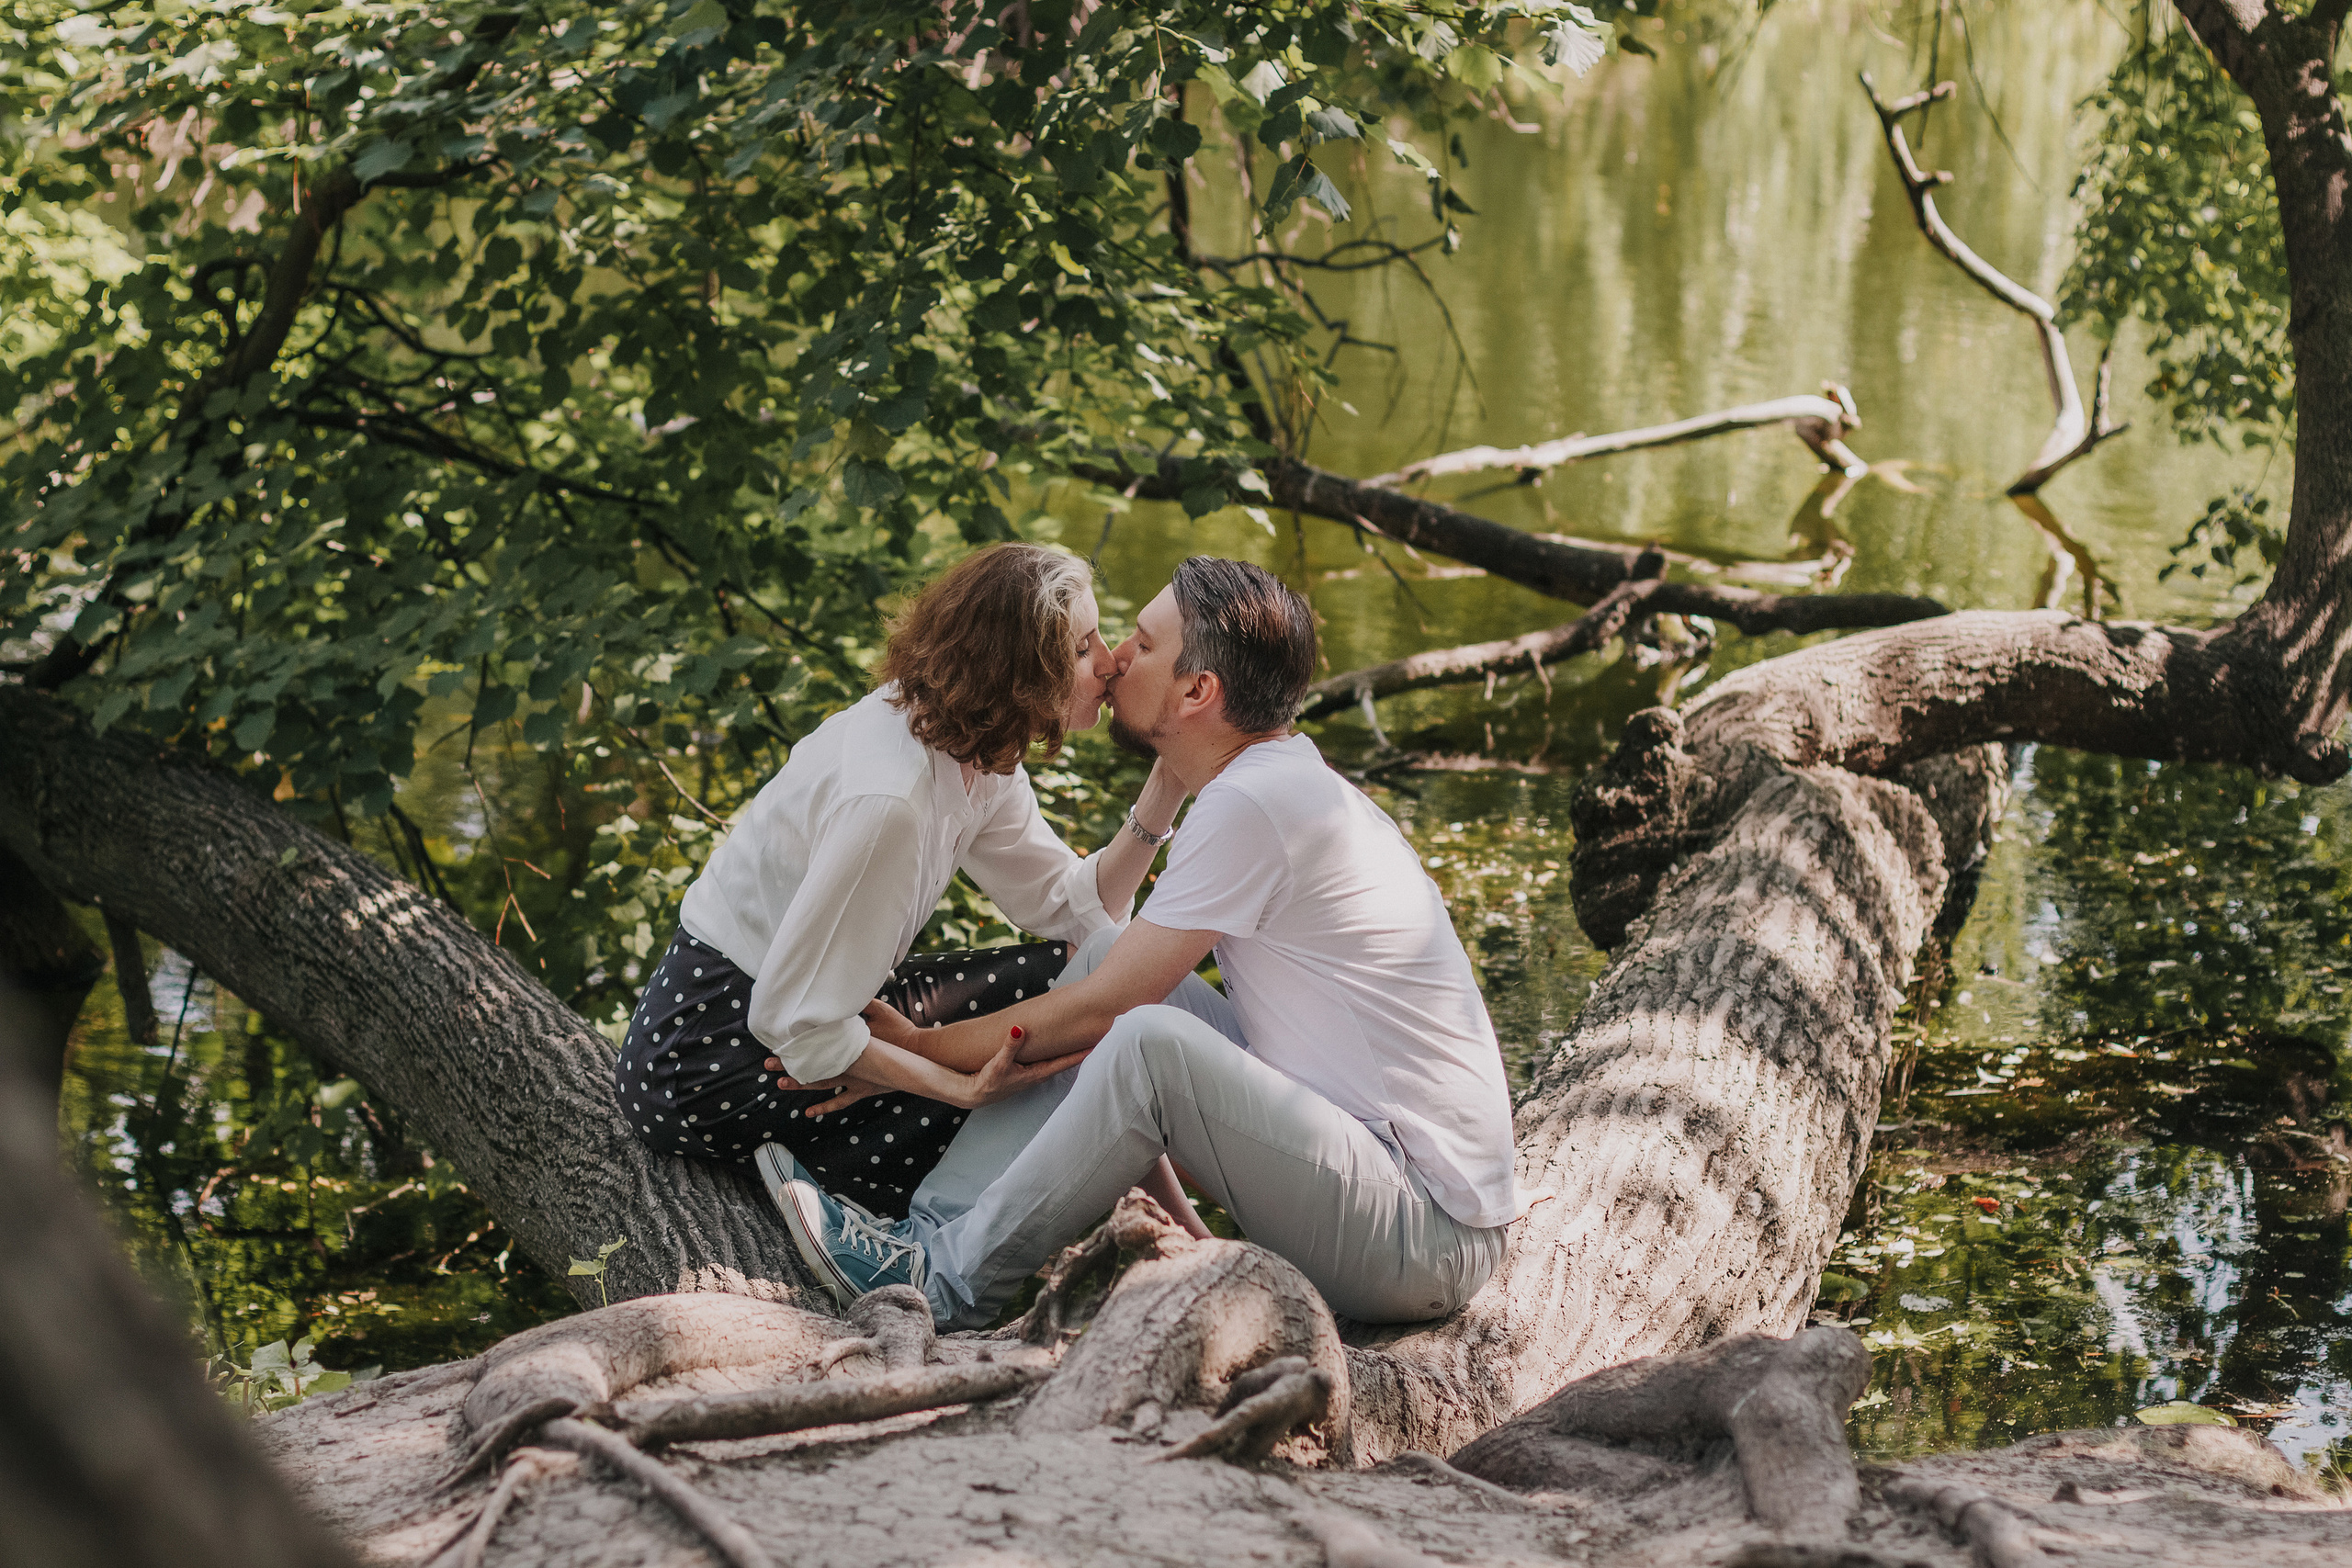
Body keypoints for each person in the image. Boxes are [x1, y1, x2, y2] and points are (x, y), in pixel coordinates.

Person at [761, 555, 1522, 1328]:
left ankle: (950, 1283)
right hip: (1378, 1182)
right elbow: (1105, 975)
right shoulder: (1270, 780)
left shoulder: (1253, 805)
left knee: (1143, 1031)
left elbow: (1109, 1017)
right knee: (1103, 961)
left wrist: (916, 1053)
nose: (1117, 657)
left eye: (1143, 642)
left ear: (1198, 691)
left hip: (1424, 1233)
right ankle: (925, 1238)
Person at [614, 543, 1191, 1241]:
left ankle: (1184, 1235)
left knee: (1078, 978)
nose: (1108, 662)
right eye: (1079, 649)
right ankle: (945, 1250)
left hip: (800, 1010)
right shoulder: (895, 800)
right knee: (1040, 1047)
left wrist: (1169, 783)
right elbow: (795, 1021)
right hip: (708, 1060)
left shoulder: (972, 748)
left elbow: (1070, 907)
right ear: (1018, 675)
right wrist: (950, 1081)